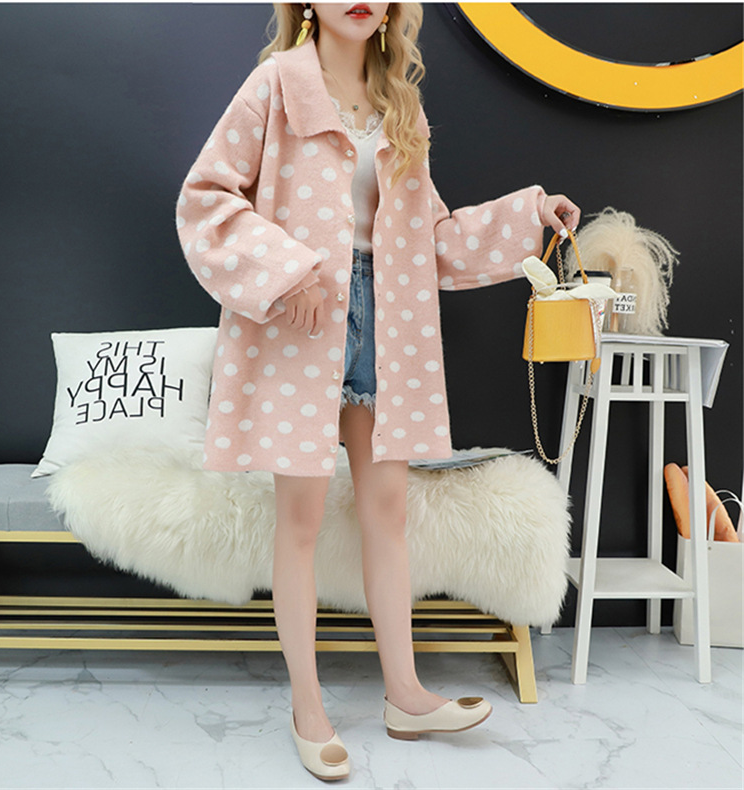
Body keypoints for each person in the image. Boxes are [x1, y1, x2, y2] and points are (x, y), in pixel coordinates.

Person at [177, 2, 580, 781]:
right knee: (299, 520)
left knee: (387, 512)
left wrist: (528, 215)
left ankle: (405, 694)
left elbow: (432, 241)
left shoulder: (401, 106)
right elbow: (207, 199)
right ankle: (308, 707)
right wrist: (287, 270)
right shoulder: (275, 86)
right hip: (303, 315)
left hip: (387, 319)